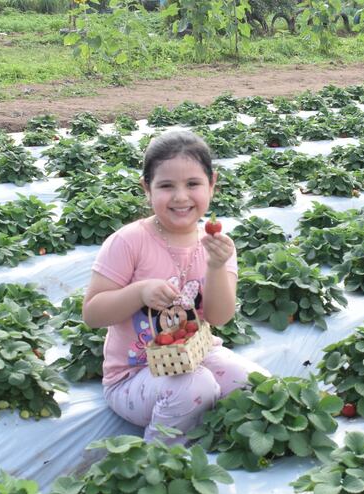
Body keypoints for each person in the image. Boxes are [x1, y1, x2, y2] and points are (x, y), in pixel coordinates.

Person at [82, 130, 267, 445]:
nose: (181, 197)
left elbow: (219, 317)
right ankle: (161, 460)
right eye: (166, 186)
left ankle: (217, 441)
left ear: (212, 184)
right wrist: (138, 293)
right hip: (133, 376)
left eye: (193, 184)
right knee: (196, 388)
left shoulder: (218, 245)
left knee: (256, 384)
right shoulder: (129, 241)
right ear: (147, 188)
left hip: (196, 356)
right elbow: (92, 313)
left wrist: (216, 266)